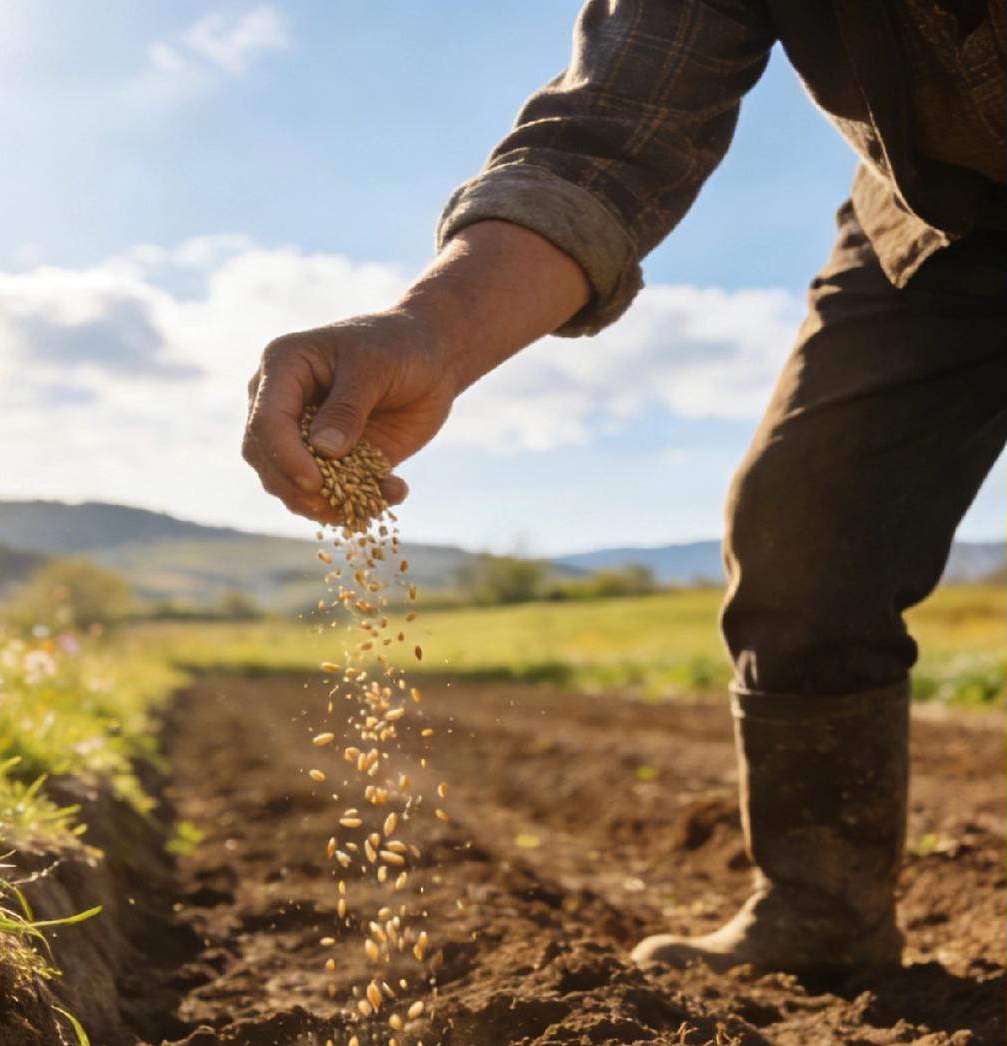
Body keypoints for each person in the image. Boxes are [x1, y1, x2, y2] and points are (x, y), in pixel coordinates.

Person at [242, 1, 1006, 977]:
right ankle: (822, 907)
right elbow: (606, 137)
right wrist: (423, 331)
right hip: (934, 221)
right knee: (801, 526)